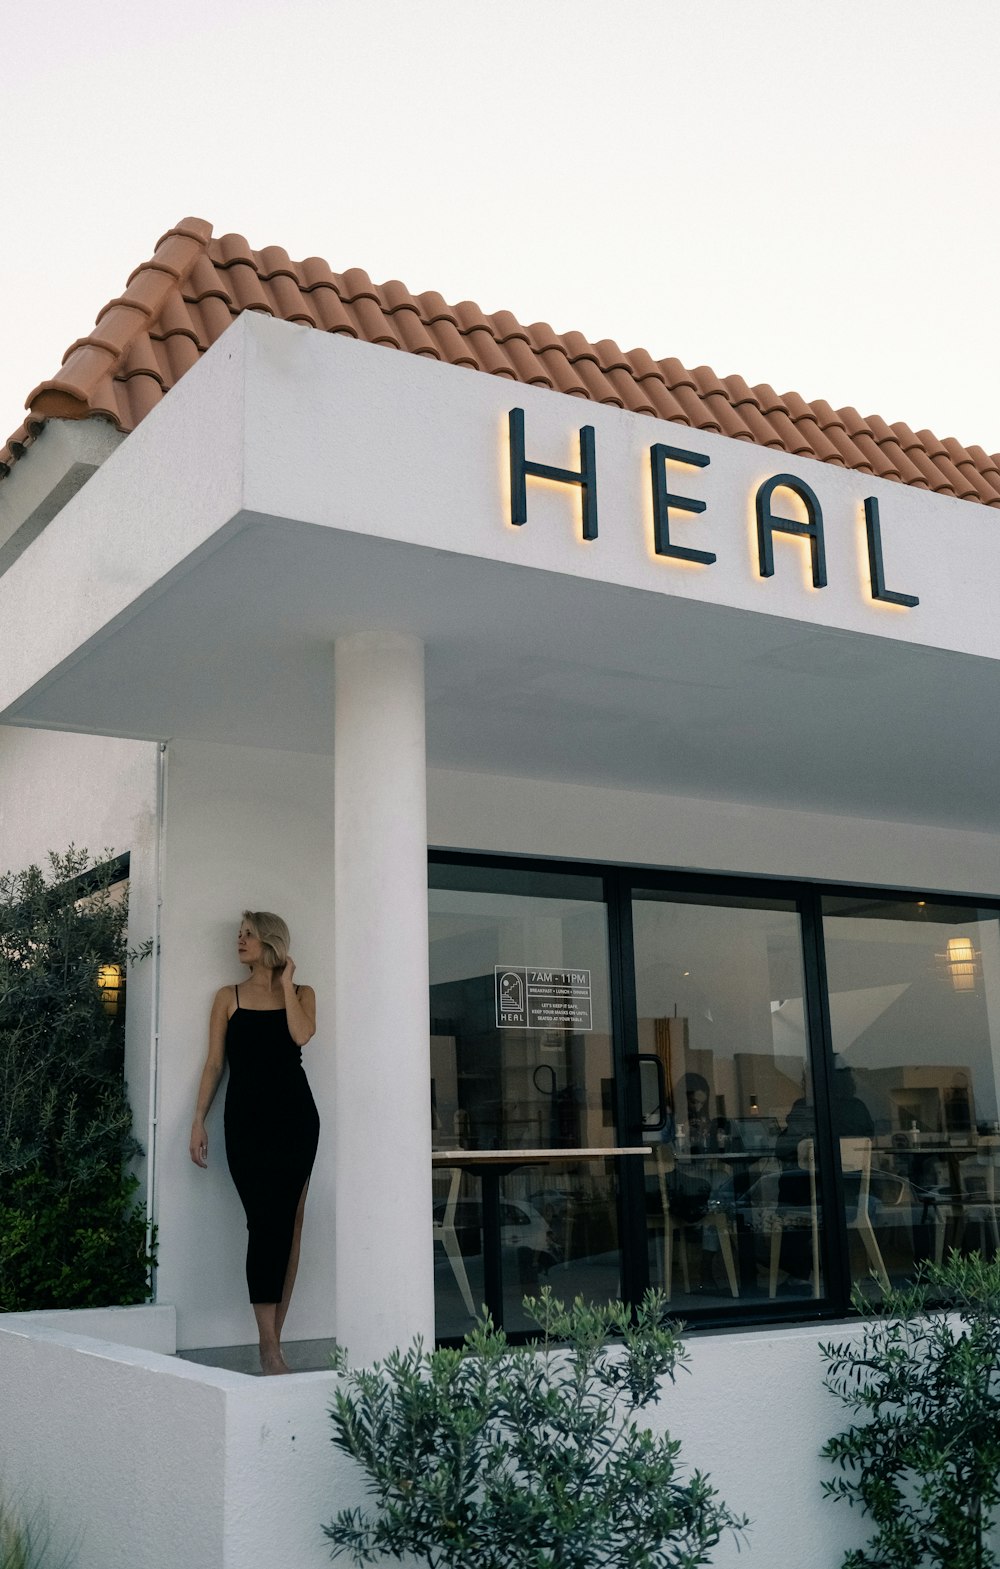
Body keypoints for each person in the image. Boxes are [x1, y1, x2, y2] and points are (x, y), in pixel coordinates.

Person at [189, 910, 319, 1375]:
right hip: (246, 1122)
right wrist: (198, 1120)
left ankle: (273, 1345)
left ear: (270, 942)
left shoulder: (302, 995)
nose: (239, 941)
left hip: (297, 1121)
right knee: (263, 1224)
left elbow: (301, 1034)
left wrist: (287, 983)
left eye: (247, 934)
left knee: (292, 1226)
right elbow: (214, 1064)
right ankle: (268, 1347)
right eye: (237, 934)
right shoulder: (228, 997)